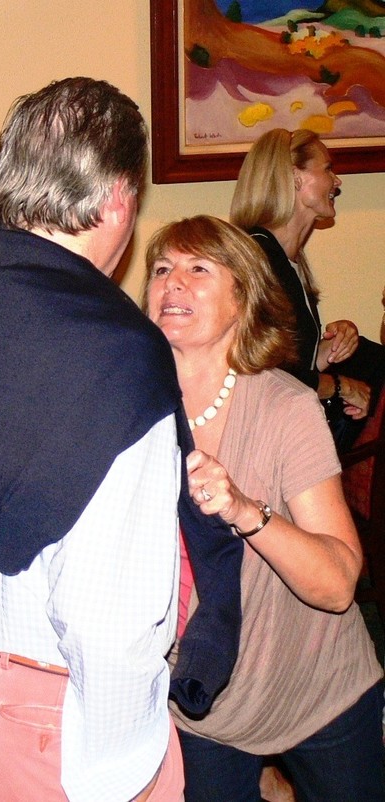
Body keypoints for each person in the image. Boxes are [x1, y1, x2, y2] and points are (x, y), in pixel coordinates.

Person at [0, 77, 242, 802]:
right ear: (118, 198)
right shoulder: (116, 351)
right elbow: (109, 614)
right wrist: (124, 770)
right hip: (51, 717)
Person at [143, 215, 384, 802]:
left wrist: (246, 510)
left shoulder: (285, 407)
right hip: (201, 699)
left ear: (242, 300)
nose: (173, 282)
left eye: (199, 268)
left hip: (317, 687)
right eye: (162, 269)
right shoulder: (130, 408)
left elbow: (338, 584)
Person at [230, 128, 385, 451]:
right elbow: (266, 372)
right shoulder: (260, 258)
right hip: (259, 439)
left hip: (278, 426)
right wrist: (340, 387)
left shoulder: (287, 260)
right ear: (295, 178)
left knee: (370, 358)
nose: (336, 181)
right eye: (327, 168)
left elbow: (297, 362)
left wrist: (332, 347)